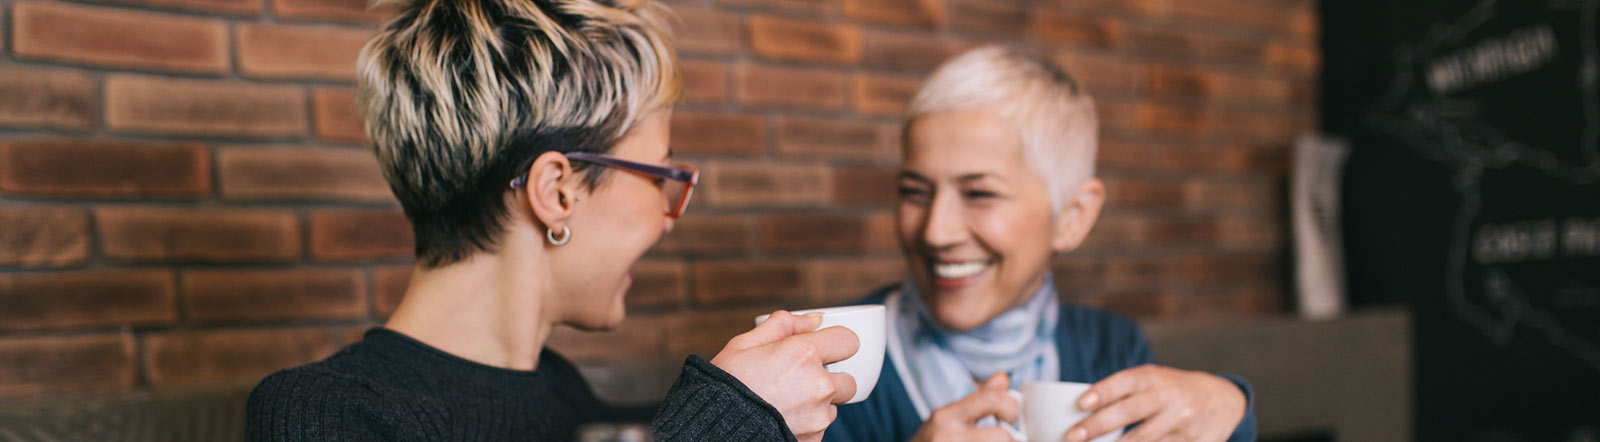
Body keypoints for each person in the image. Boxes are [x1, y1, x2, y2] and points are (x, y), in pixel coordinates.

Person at [244, 0, 859, 440]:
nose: (670, 219)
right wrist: (731, 424)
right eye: (662, 179)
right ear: (557, 191)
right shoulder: (325, 415)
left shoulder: (559, 392)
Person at [824, 45, 1258, 442]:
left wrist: (1233, 408)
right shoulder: (838, 365)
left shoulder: (1111, 346)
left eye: (980, 194)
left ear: (1073, 217)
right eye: (915, 192)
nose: (936, 232)